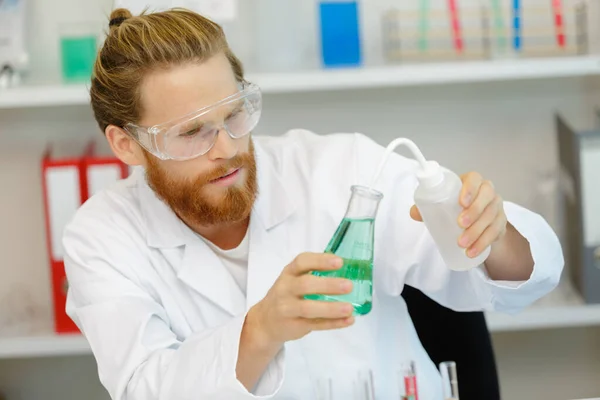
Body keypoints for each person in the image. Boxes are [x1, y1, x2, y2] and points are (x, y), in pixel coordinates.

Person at [62, 7, 564, 400]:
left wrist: (492, 234)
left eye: (236, 114)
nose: (228, 148)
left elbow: (513, 275)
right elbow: (143, 387)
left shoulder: (341, 167)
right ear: (127, 144)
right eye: (192, 132)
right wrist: (261, 329)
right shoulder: (102, 236)